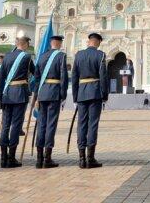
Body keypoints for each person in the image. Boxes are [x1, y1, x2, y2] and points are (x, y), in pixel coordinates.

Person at [0, 35, 34, 168]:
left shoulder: (7, 56)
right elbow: (36, 72)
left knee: (5, 125)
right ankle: (11, 157)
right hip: (20, 94)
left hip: (6, 94)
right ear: (26, 45)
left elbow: (2, 78)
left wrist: (0, 97)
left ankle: (3, 158)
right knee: (16, 125)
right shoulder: (27, 57)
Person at [72, 32, 109, 169]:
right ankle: (90, 158)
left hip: (81, 93)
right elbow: (103, 77)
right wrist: (104, 95)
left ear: (89, 41)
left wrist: (75, 96)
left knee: (81, 124)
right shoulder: (100, 55)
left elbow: (74, 77)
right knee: (92, 125)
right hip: (95, 93)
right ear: (98, 42)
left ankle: (81, 158)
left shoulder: (78, 55)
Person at [34, 34, 68, 169]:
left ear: (51, 43)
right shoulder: (61, 56)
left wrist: (36, 95)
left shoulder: (42, 56)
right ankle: (47, 158)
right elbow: (63, 77)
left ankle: (39, 159)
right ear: (59, 44)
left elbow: (37, 78)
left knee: (41, 124)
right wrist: (63, 95)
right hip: (54, 93)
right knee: (51, 125)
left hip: (42, 93)